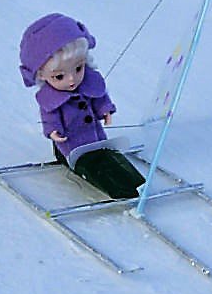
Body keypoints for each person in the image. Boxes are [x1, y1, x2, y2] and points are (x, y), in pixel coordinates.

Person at [19, 13, 145, 200]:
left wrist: (105, 109)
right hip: (72, 145)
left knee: (107, 157)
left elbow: (99, 98)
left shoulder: (88, 83)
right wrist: (53, 131)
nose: (72, 79)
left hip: (97, 138)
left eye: (78, 68)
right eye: (59, 76)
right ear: (41, 75)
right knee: (94, 166)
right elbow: (50, 117)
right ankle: (122, 188)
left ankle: (134, 183)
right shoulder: (50, 98)